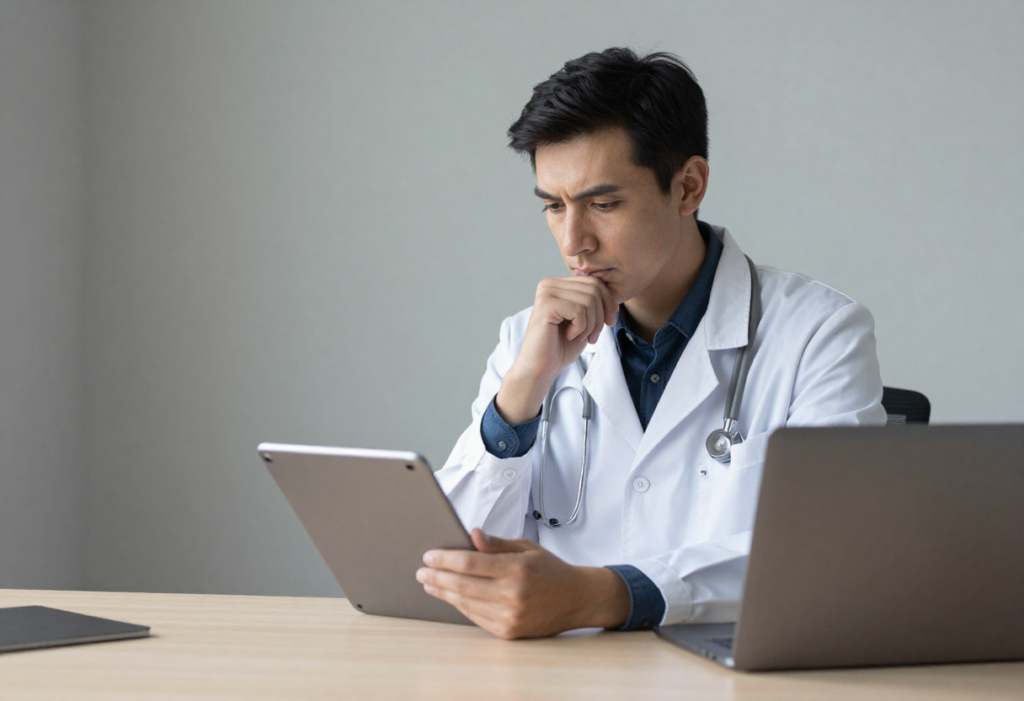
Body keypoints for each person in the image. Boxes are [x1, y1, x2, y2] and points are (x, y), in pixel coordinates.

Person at [416, 47, 886, 639]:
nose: (573, 241)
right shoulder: (526, 341)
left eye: (603, 204)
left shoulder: (819, 334)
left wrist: (607, 594)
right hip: (564, 679)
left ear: (688, 187)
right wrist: (520, 397)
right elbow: (455, 565)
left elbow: (830, 549)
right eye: (553, 207)